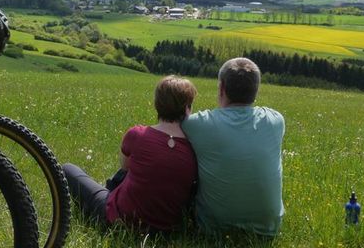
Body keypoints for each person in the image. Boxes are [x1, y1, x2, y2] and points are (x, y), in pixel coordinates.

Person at [62, 75, 198, 232]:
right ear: (187, 109)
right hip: (167, 230)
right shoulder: (194, 146)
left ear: (157, 104)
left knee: (68, 169)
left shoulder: (137, 135)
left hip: (119, 220)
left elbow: (124, 167)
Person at [181, 57, 285, 237]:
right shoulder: (276, 120)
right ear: (256, 90)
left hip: (213, 228)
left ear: (221, 88)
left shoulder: (198, 124)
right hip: (268, 228)